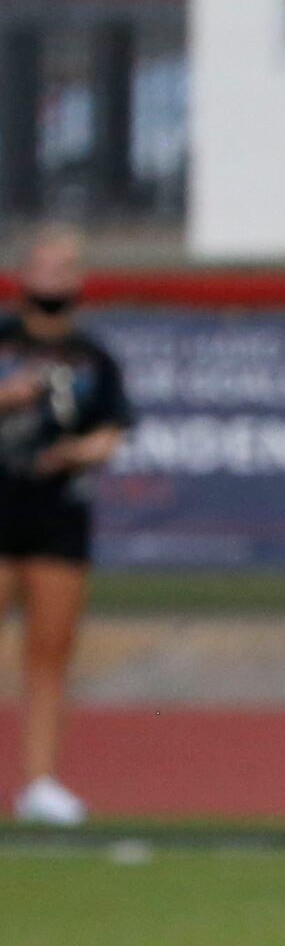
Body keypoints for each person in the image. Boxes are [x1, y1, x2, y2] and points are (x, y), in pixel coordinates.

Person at [0, 227, 130, 829]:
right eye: (43, 267)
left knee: (49, 655)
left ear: (77, 281)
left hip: (58, 516)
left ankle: (41, 783)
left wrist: (81, 451)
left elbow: (114, 428)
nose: (54, 279)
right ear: (25, 275)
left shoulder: (93, 358)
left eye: (65, 269)